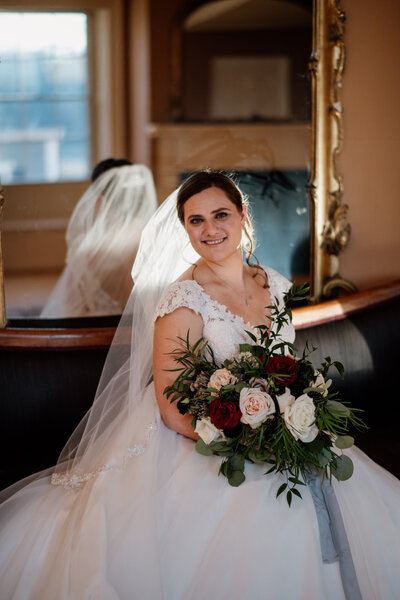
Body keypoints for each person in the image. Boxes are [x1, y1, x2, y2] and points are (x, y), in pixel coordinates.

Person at [0, 170, 399, 599]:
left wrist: (289, 419)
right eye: (195, 220)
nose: (209, 230)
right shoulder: (182, 299)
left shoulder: (275, 285)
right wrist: (245, 441)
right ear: (185, 228)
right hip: (202, 438)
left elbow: (285, 365)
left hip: (279, 429)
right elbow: (171, 407)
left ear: (243, 214)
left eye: (220, 214)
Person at [40, 159, 157, 318]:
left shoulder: (89, 249)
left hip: (97, 332)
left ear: (100, 199)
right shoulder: (156, 238)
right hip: (145, 329)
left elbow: (69, 307)